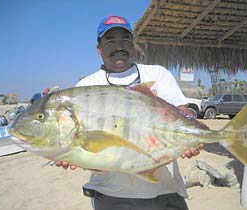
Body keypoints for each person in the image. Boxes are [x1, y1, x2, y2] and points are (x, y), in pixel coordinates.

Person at [56, 15, 203, 210]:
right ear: (98, 48)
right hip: (111, 195)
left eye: (125, 39)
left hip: (165, 191)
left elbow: (182, 110)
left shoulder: (157, 74)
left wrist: (193, 130)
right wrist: (73, 154)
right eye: (110, 40)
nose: (119, 46)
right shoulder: (86, 86)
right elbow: (94, 153)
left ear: (133, 45)